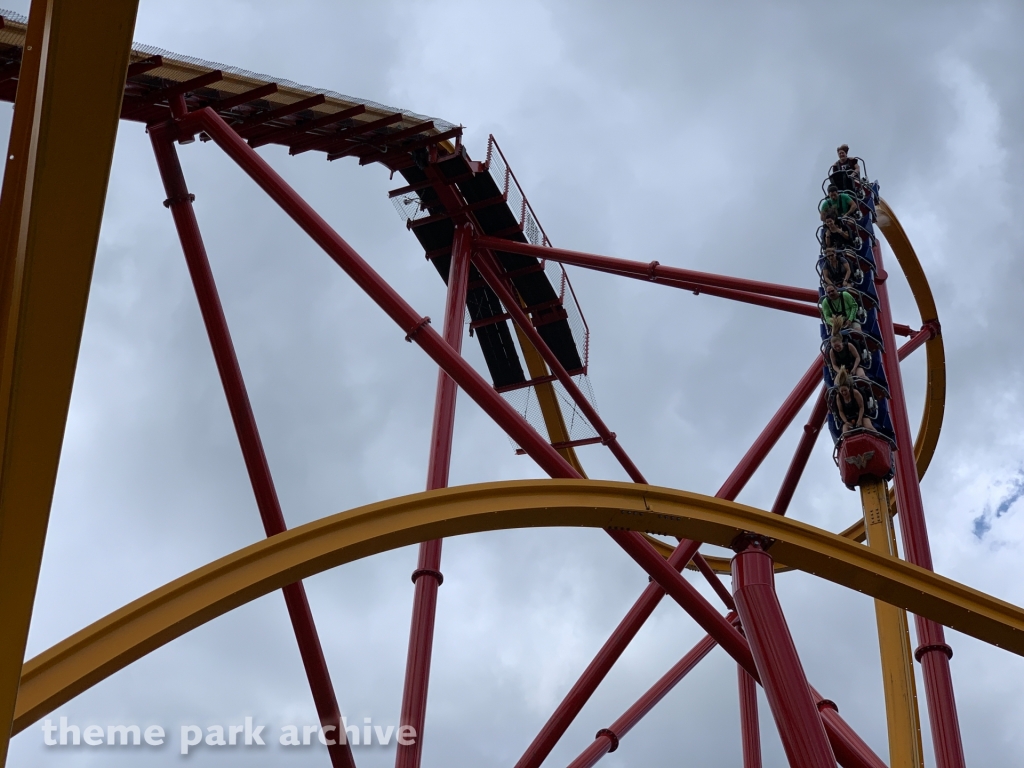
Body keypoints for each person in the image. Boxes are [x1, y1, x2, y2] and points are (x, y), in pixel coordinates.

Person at [833, 367, 875, 433]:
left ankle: (878, 436)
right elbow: (841, 411)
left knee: (869, 427)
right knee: (845, 433)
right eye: (842, 391)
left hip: (861, 414)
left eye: (845, 390)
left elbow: (861, 407)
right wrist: (846, 422)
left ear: (849, 388)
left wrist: (859, 419)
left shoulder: (855, 393)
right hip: (848, 417)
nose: (844, 393)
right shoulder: (838, 397)